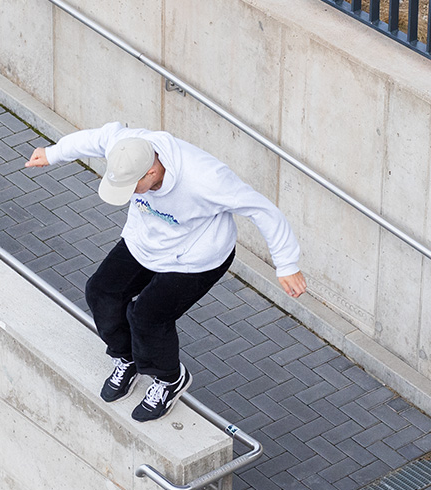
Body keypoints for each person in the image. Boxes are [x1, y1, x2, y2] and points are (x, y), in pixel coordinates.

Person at [26, 122, 306, 422]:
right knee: (101, 292)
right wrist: (52, 154)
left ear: (151, 172)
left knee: (147, 316)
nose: (128, 194)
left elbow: (261, 210)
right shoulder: (127, 145)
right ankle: (127, 357)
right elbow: (93, 140)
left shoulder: (206, 178)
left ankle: (169, 379)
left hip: (196, 258)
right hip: (146, 240)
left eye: (131, 187)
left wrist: (286, 264)